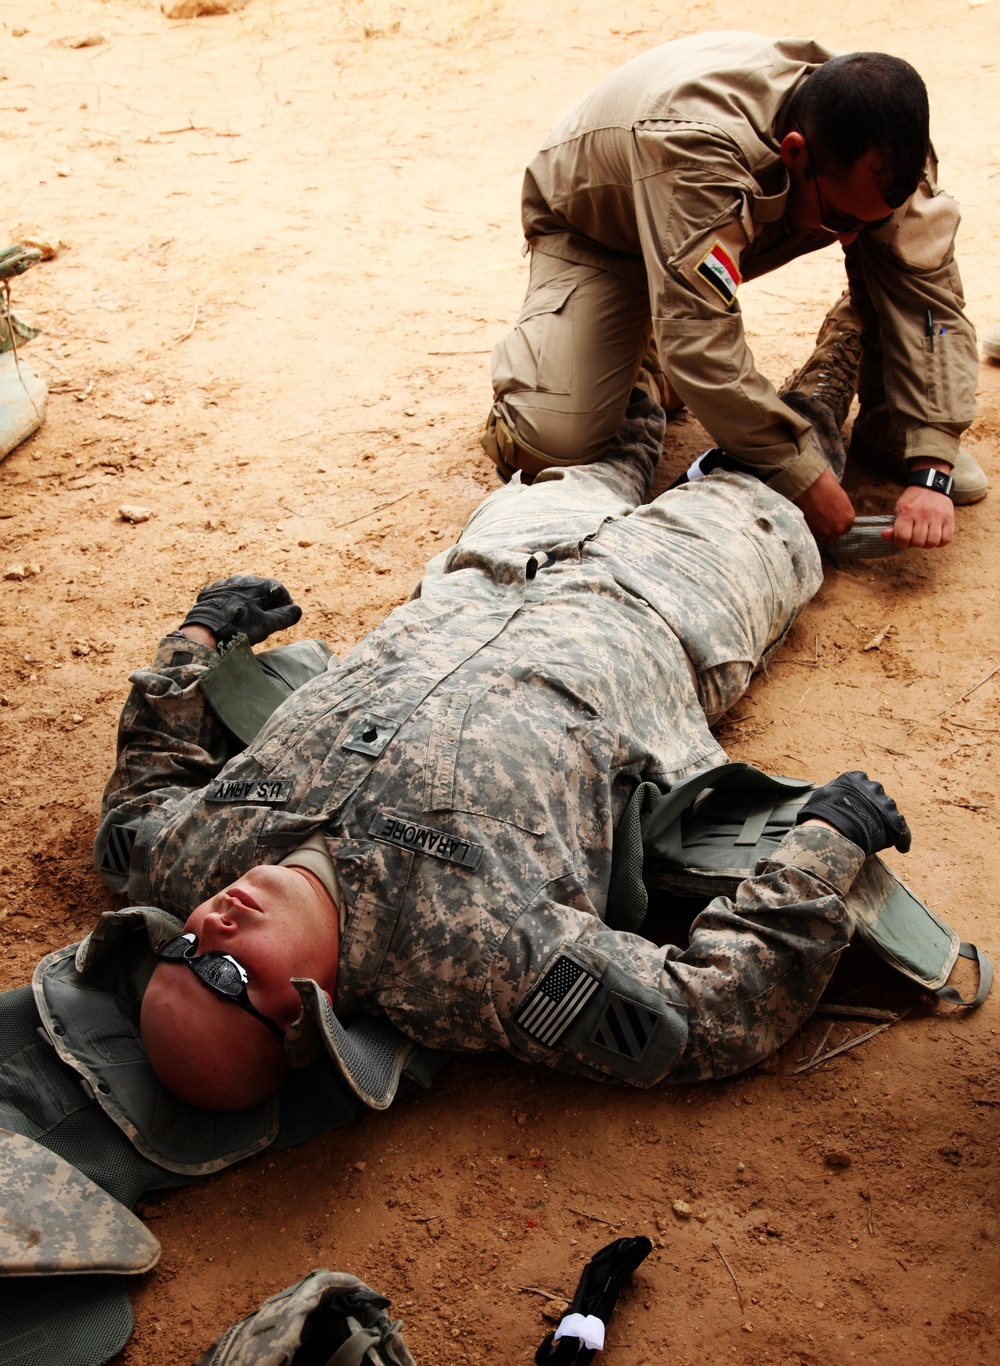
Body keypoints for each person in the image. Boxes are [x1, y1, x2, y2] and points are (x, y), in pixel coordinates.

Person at [94, 396, 912, 1113]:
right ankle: (862, 309)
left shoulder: (178, 862)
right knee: (785, 455)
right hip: (671, 607)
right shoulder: (473, 965)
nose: (211, 926)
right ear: (308, 1017)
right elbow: (703, 1016)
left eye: (181, 948)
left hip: (496, 561)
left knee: (607, 408)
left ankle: (661, 337)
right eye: (228, 976)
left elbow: (144, 785)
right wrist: (821, 852)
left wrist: (202, 633)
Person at [482, 34, 985, 551]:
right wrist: (801, 473)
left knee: (892, 258)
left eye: (865, 223)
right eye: (840, 220)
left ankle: (887, 407)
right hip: (603, 233)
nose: (851, 240)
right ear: (794, 151)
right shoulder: (697, 150)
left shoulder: (884, 143)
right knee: (550, 443)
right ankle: (637, 351)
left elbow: (931, 304)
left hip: (710, 220)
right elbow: (701, 340)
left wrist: (932, 466)